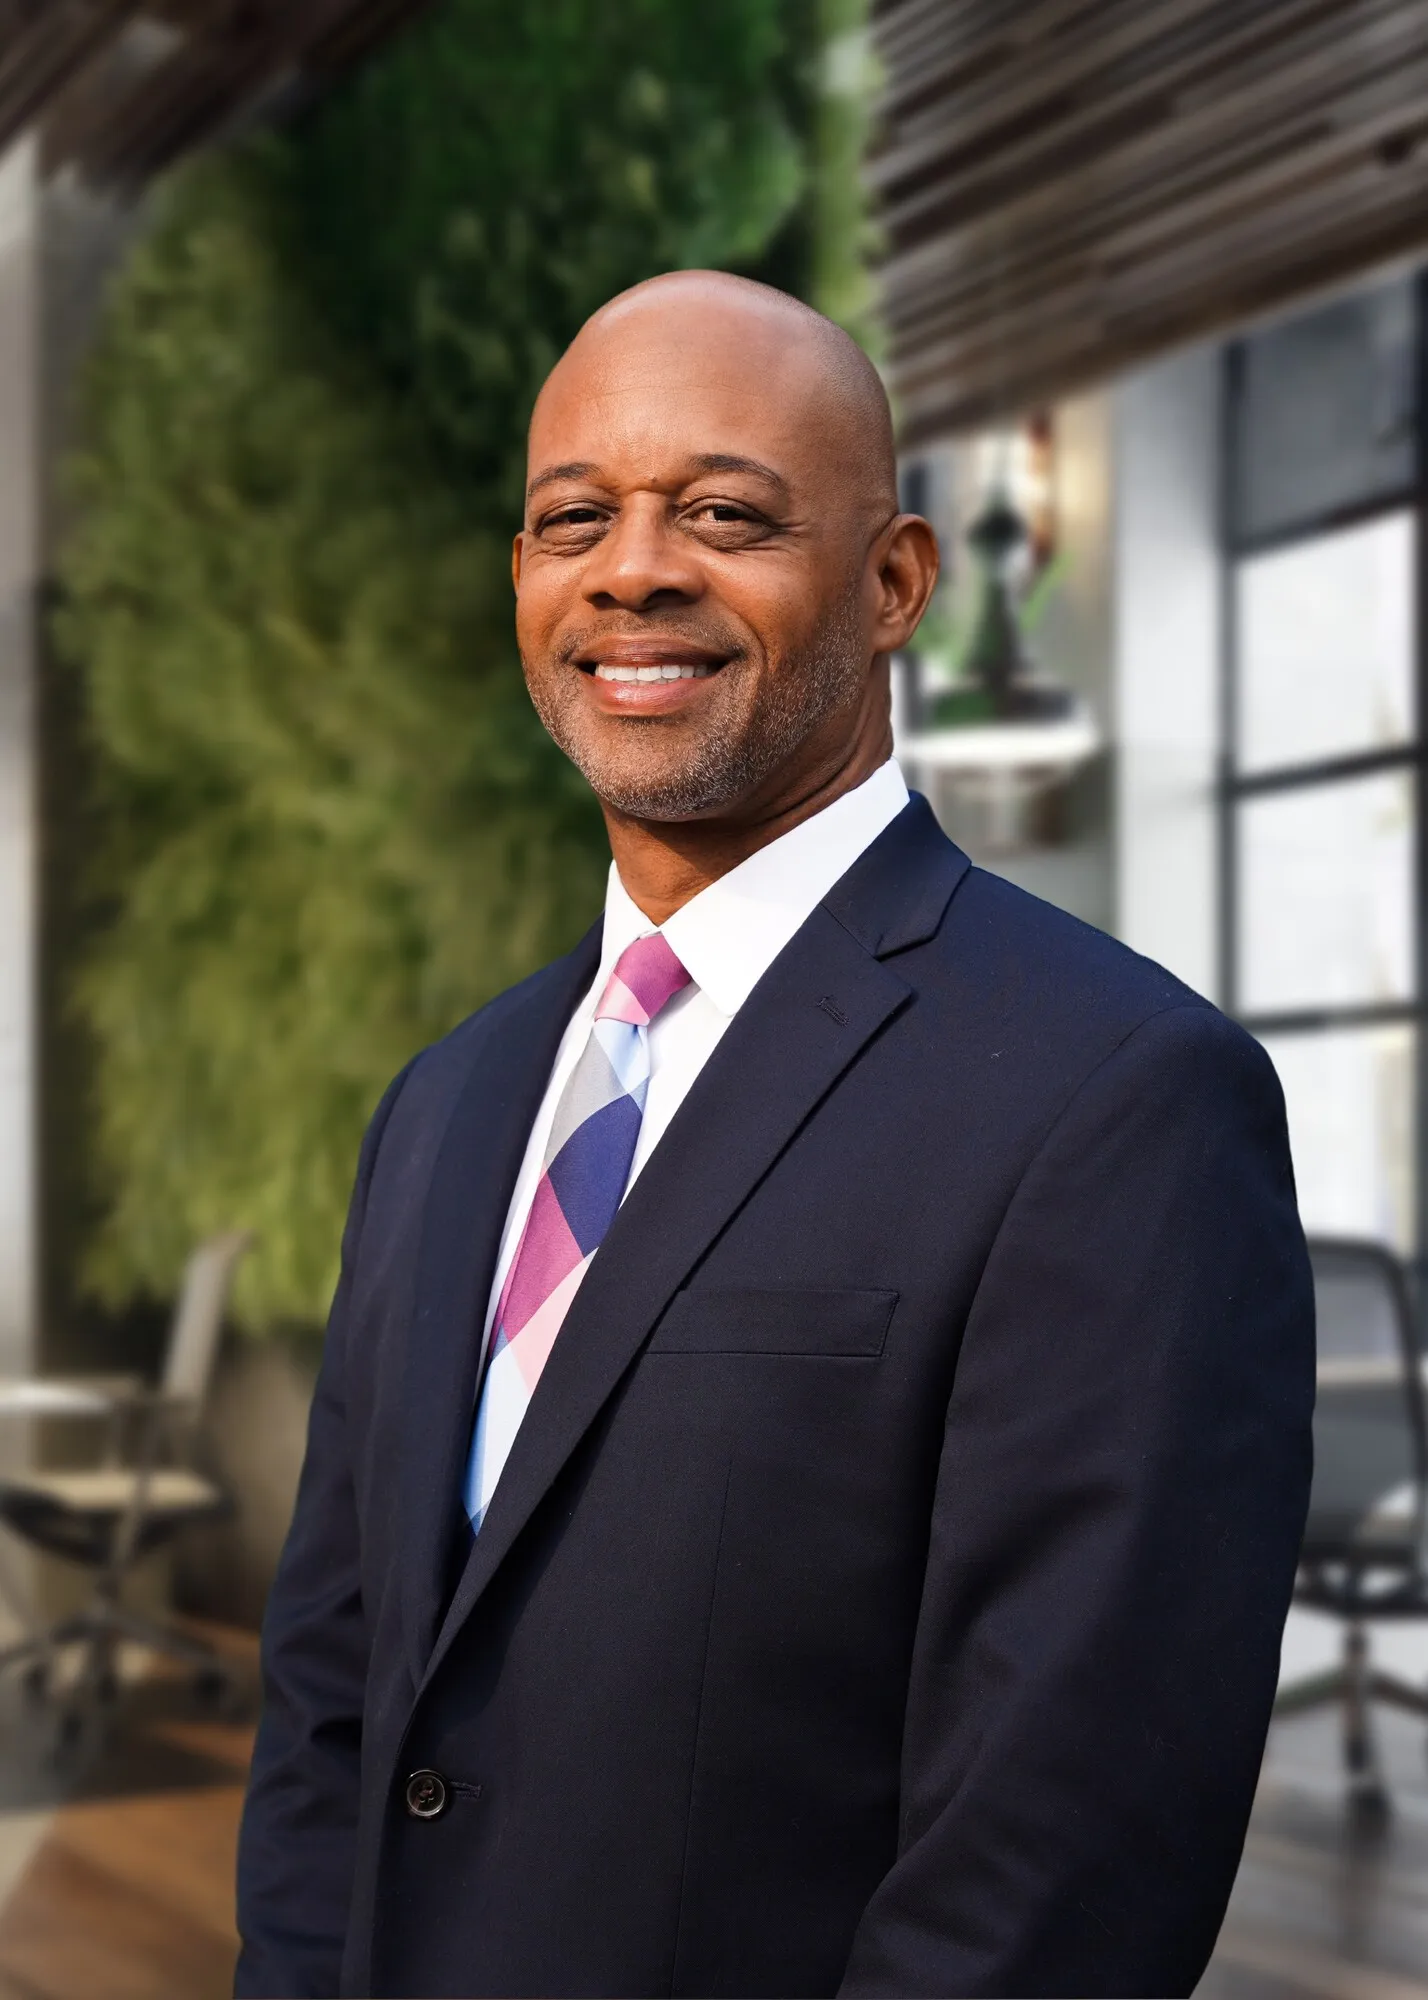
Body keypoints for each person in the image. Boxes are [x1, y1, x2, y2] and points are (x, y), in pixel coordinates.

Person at [235, 272, 1314, 2000]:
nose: (633, 567)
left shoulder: (1116, 1098)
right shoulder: (443, 1104)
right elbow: (334, 1693)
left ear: (895, 582)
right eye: (571, 518)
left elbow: (1062, 1865)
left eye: (725, 513)